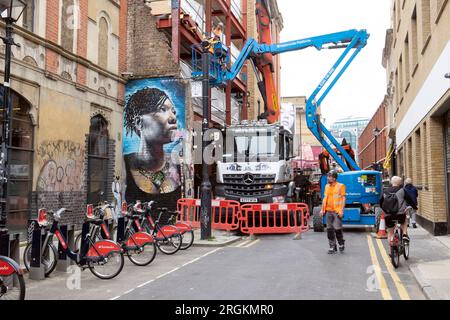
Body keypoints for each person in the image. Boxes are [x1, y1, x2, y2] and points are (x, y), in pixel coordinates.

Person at [123, 87, 181, 203]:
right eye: (163, 109)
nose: (173, 117)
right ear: (139, 123)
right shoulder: (124, 164)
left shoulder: (178, 163)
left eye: (173, 111)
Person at [380, 176, 414, 245]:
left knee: (390, 232)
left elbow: (381, 202)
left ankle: (392, 249)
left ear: (391, 182)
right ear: (400, 183)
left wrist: (385, 210)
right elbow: (410, 200)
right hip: (400, 214)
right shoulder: (403, 190)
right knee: (404, 221)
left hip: (388, 215)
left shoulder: (385, 191)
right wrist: (414, 207)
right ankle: (404, 234)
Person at [320, 170, 346, 254]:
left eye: (330, 176)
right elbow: (325, 199)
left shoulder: (341, 186)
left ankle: (341, 243)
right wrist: (322, 209)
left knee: (337, 229)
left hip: (337, 211)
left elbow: (343, 198)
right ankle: (332, 246)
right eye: (328, 176)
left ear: (334, 178)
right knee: (329, 230)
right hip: (328, 211)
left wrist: (341, 210)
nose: (328, 178)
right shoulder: (326, 186)